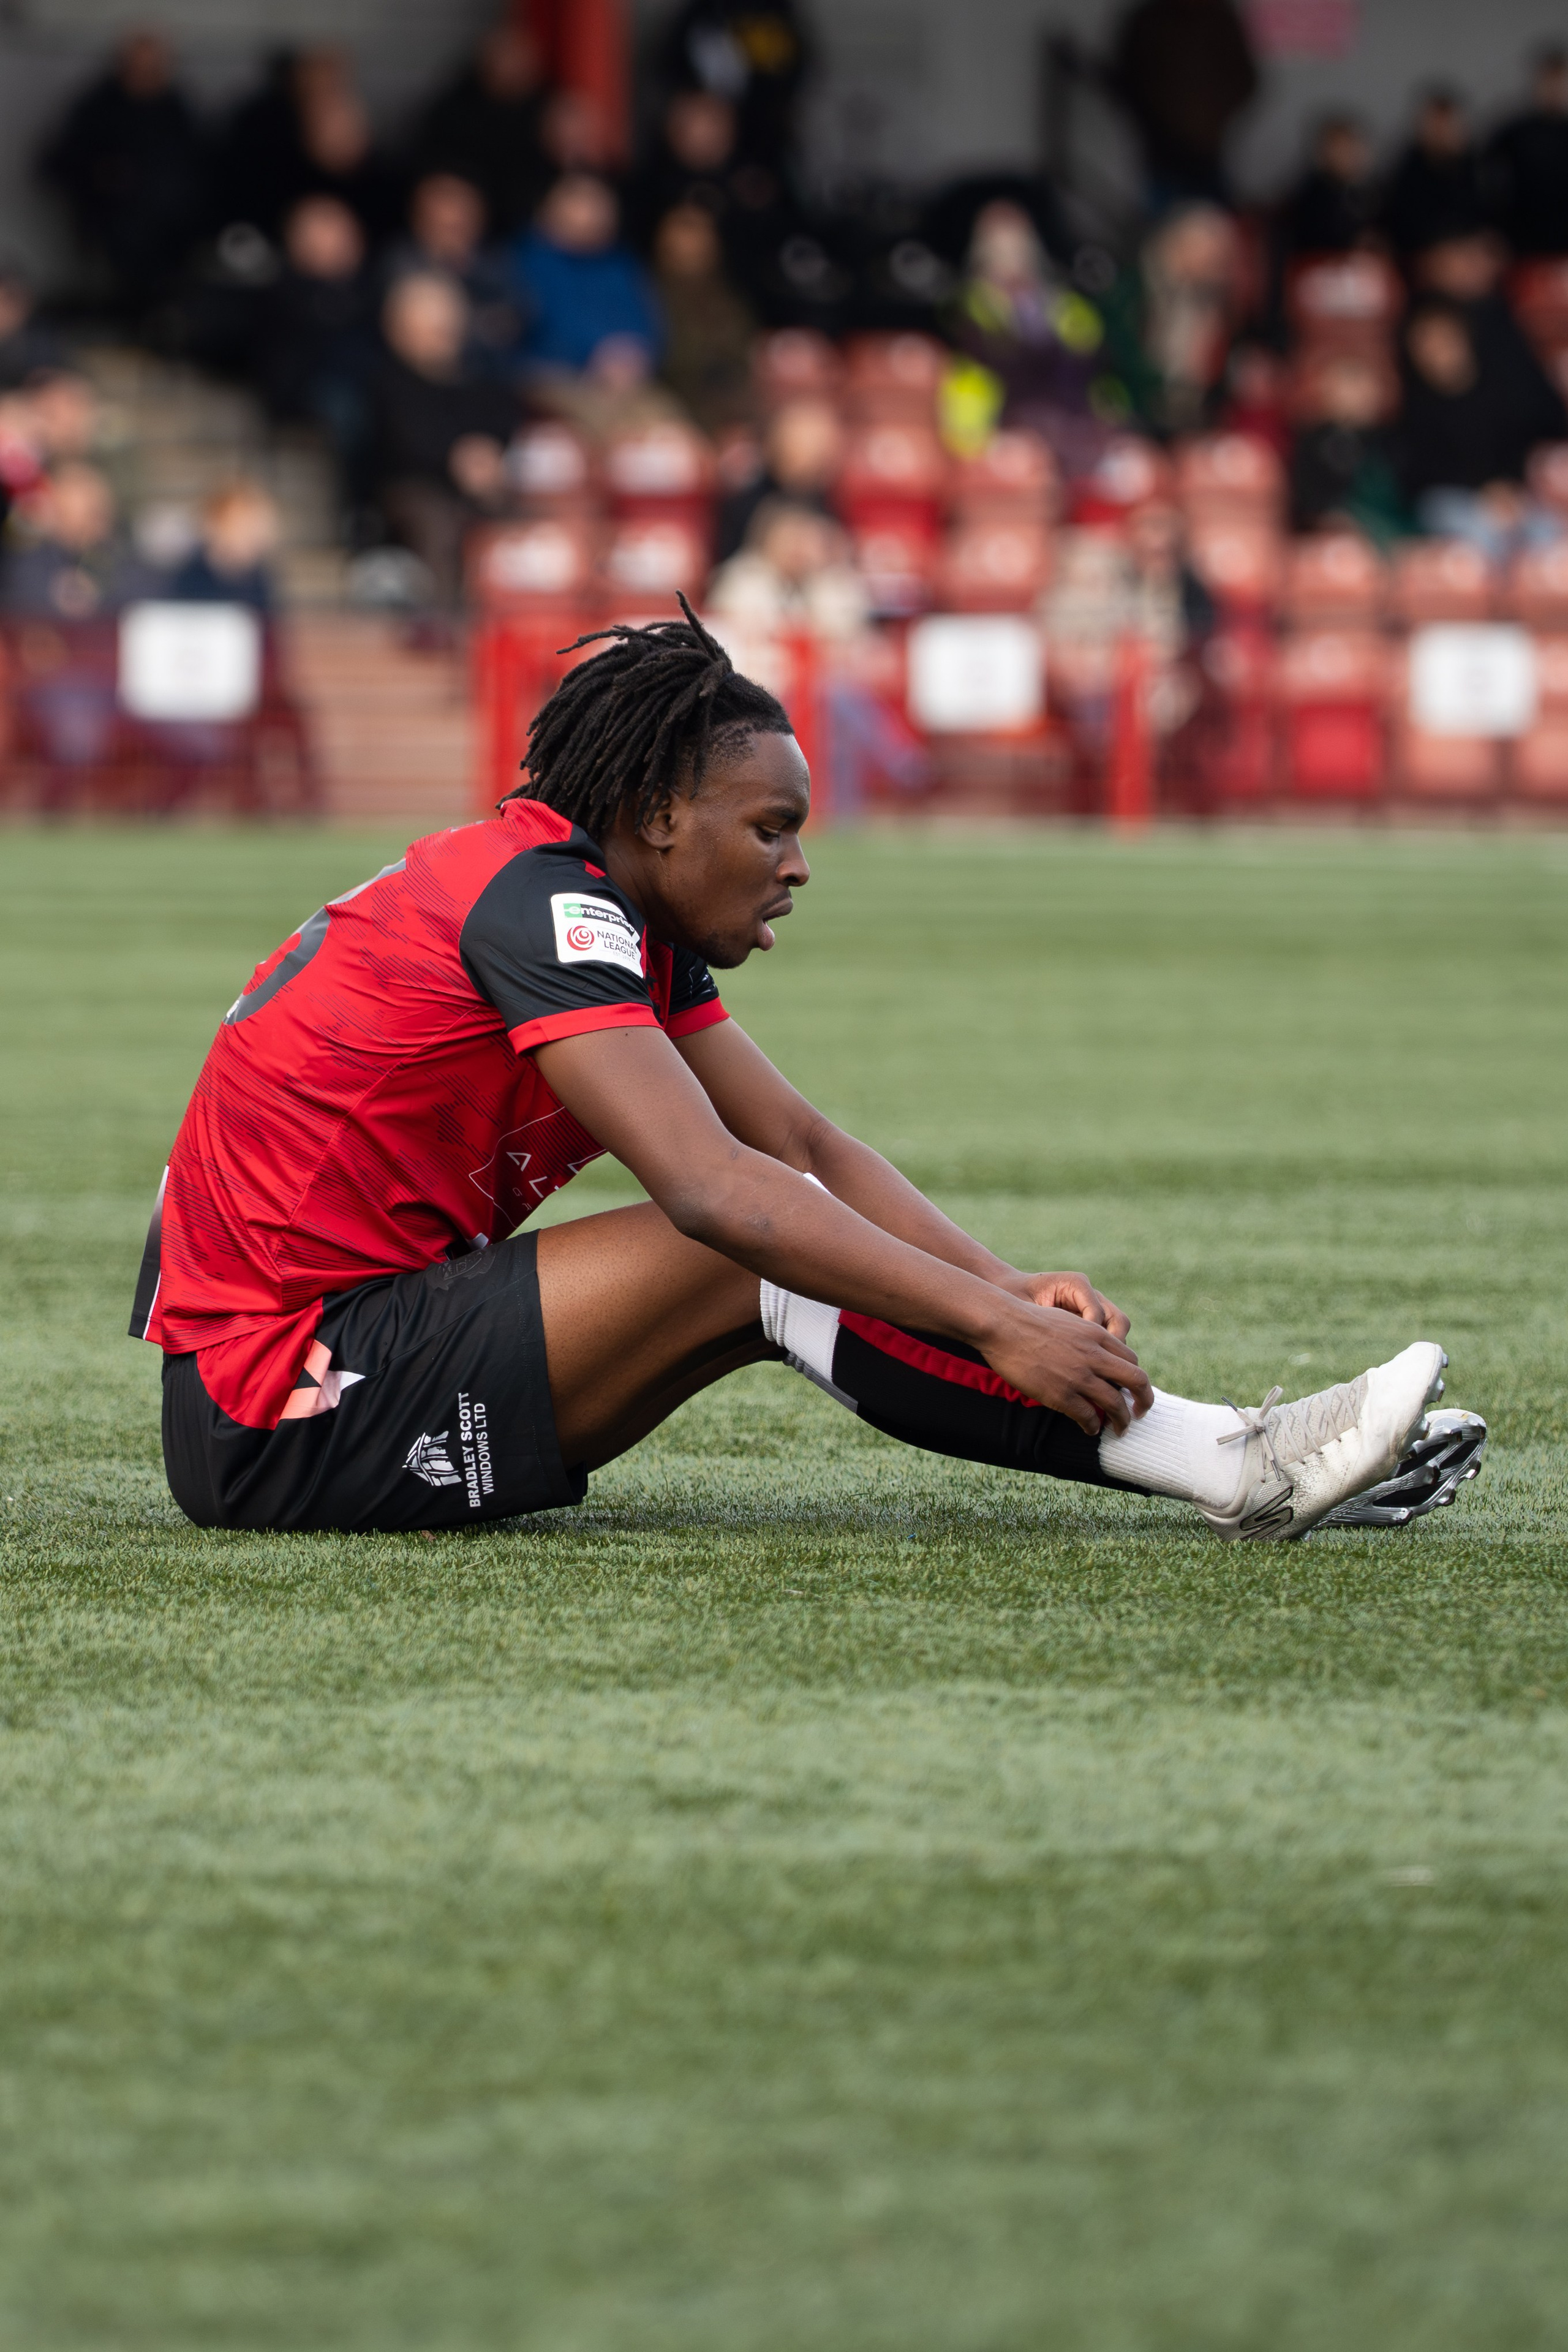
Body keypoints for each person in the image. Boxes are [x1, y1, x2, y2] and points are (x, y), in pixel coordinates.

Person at [132, 601, 1459, 1544]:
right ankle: (1237, 1462)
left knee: (779, 1230)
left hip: (332, 1360)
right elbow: (721, 1195)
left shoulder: (592, 909)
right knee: (746, 1249)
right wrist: (993, 1326)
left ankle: (1240, 1459)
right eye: (768, 828)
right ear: (657, 816)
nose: (797, 866)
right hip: (280, 1402)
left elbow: (803, 1146)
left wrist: (1000, 1284)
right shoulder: (544, 906)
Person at [370, 271, 519, 606]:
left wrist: (489, 453)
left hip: (479, 486)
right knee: (437, 528)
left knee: (523, 526)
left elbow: (503, 422)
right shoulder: (387, 382)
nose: (444, 334)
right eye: (432, 327)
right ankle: (445, 628)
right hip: (413, 490)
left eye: (448, 324)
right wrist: (458, 460)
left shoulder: (478, 376)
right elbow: (404, 446)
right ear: (399, 330)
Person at [37, 31, 208, 314]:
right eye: (136, 66)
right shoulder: (97, 107)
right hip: (114, 221)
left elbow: (198, 165)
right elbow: (58, 163)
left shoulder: (177, 108)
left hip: (175, 227)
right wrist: (101, 174)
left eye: (153, 67)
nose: (144, 75)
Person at [1397, 295, 1564, 557]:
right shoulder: (1410, 407)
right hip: (1449, 501)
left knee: (1550, 535)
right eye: (1423, 343)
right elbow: (1417, 476)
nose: (1435, 350)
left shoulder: (1504, 390)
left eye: (1444, 338)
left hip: (1513, 495)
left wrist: (1509, 488)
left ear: (1464, 339)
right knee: (1480, 538)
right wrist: (1484, 495)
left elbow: (1528, 439)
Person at [257, 196, 378, 511]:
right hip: (307, 390)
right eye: (325, 234)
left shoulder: (371, 290)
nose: (339, 242)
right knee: (349, 410)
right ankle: (357, 509)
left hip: (369, 384)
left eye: (344, 233)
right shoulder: (285, 290)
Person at [1110, 0, 1258, 209]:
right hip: (1160, 150)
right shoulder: (1149, 22)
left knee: (1214, 227)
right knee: (1161, 231)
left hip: (1207, 151)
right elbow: (1126, 80)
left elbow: (1245, 79)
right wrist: (1153, 120)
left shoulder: (1219, 20)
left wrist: (1212, 120)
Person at [512, 175, 662, 382]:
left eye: (600, 201)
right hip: (555, 379)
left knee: (668, 414)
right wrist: (599, 356)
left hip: (629, 378)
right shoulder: (529, 260)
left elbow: (648, 321)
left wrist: (637, 353)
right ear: (550, 206)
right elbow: (548, 330)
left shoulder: (621, 262)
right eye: (582, 200)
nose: (595, 211)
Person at [411, 20, 549, 238]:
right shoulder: (453, 110)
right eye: (506, 57)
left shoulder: (544, 111)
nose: (514, 67)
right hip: (467, 221)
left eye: (522, 59)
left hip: (528, 226)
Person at [385, 173, 522, 371]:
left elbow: (517, 318)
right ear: (423, 218)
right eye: (448, 226)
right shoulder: (402, 262)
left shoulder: (493, 262)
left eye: (465, 217)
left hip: (491, 376)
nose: (458, 224)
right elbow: (424, 336)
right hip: (416, 378)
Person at [651, 200, 756, 432]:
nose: (692, 242)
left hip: (733, 390)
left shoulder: (726, 290)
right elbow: (664, 354)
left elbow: (743, 342)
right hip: (678, 392)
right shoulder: (650, 290)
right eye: (684, 231)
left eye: (700, 231)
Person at [1290, 350, 1406, 543]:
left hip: (1389, 527)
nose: (1357, 395)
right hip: (1334, 533)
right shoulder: (1313, 442)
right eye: (1347, 386)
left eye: (1362, 385)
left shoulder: (1393, 439)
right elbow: (1307, 501)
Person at [715, 393, 843, 560]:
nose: (805, 457)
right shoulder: (746, 504)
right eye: (796, 444)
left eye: (814, 446)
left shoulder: (833, 504)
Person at [1381, 88, 1488, 258]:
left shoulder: (1479, 168)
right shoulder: (1405, 171)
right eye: (1435, 124)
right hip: (1421, 259)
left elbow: (1488, 221)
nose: (1441, 132)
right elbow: (1400, 225)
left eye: (1448, 123)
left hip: (1471, 259)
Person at [1488, 48, 1568, 258]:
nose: (1554, 89)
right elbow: (1487, 179)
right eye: (1548, 81)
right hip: (1524, 246)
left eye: (1559, 81)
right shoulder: (1515, 132)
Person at [165, 480, 282, 609]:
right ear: (216, 526)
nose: (255, 536)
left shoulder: (260, 579)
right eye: (243, 527)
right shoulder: (189, 580)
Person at [1278, 115, 1380, 258]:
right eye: (1342, 147)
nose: (1352, 155)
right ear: (1323, 152)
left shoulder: (1364, 192)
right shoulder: (1312, 196)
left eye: (1354, 146)